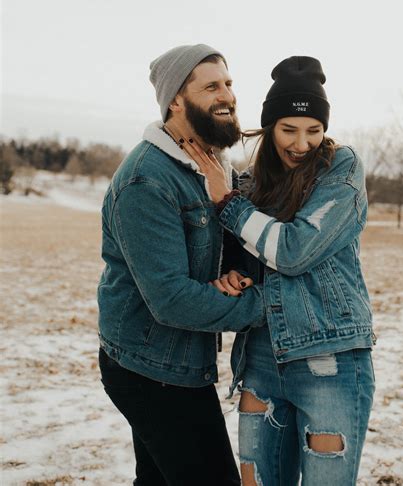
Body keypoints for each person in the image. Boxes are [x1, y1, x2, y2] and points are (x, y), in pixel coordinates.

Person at [182, 55, 376, 486]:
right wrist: (233, 274)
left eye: (314, 130)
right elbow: (245, 259)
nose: (301, 143)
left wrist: (228, 204)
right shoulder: (250, 185)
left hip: (332, 358)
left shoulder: (341, 170)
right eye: (289, 129)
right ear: (270, 127)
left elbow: (292, 251)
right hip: (262, 359)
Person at [97, 43, 266, 486]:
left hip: (176, 361)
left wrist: (228, 274)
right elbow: (170, 299)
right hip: (149, 368)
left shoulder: (210, 164)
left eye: (228, 83)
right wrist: (267, 307)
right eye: (211, 86)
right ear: (176, 99)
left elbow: (212, 251)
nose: (227, 95)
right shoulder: (146, 179)